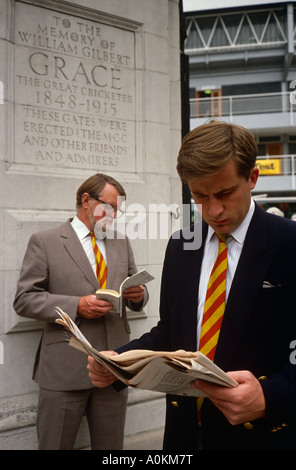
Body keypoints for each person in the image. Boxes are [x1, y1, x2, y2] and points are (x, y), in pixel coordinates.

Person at [87, 121, 296, 450]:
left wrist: (271, 394)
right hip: (184, 435)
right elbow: (171, 333)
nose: (213, 210)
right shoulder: (182, 244)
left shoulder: (290, 243)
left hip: (263, 438)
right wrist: (118, 362)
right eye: (199, 195)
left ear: (252, 178)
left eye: (225, 193)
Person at [13, 173, 149, 450]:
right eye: (108, 207)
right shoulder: (45, 241)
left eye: (117, 210)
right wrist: (77, 306)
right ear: (86, 200)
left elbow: (135, 288)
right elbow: (25, 299)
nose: (113, 215)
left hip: (113, 366)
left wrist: (139, 296)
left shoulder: (121, 242)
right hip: (64, 367)